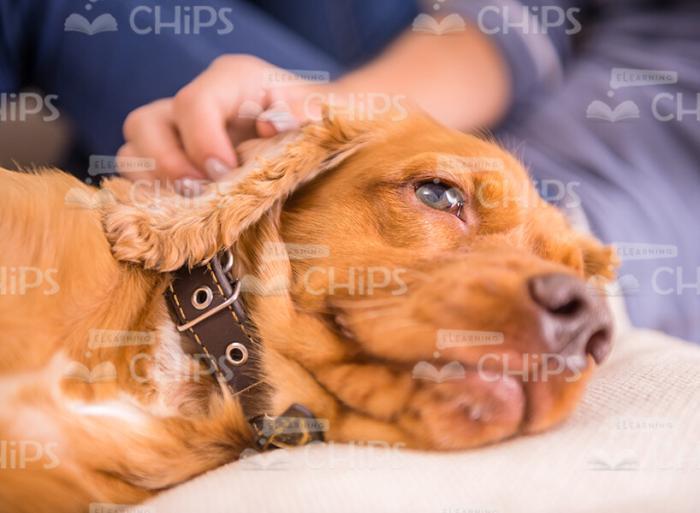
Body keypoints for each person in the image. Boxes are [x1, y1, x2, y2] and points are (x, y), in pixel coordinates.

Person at [1, 0, 698, 342]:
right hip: (484, 137)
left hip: (586, 236)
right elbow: (534, 22)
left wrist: (339, 126)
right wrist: (327, 112)